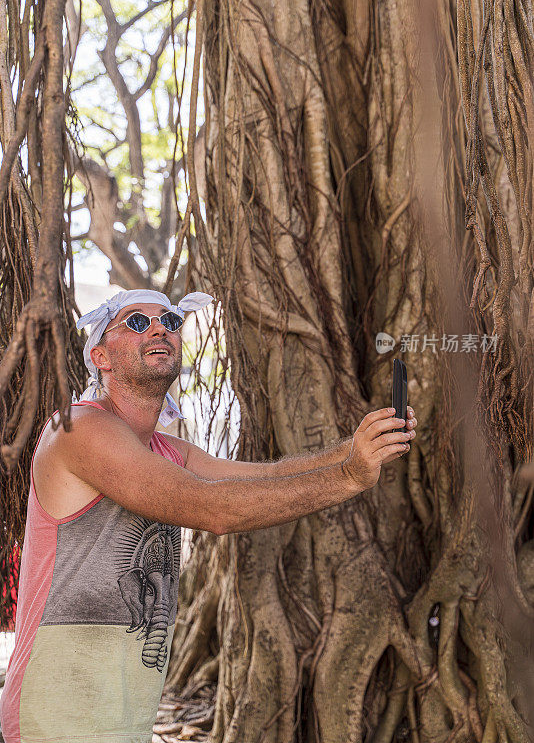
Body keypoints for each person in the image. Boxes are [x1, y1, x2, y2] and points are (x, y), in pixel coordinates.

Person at [0, 288, 417, 743]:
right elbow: (212, 508)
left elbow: (254, 480)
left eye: (172, 322)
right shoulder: (79, 427)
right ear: (101, 356)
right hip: (57, 710)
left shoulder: (166, 449)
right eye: (137, 322)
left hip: (123, 712)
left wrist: (354, 450)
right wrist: (348, 478)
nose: (160, 328)